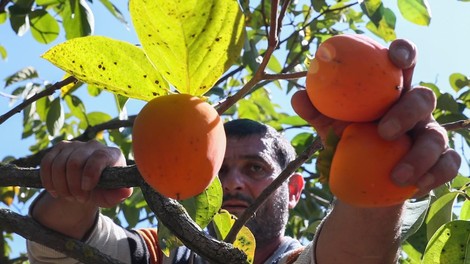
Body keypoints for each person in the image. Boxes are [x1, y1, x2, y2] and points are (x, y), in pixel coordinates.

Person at [26, 39, 461, 264]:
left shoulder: (292, 259)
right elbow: (60, 246)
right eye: (219, 169)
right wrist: (76, 181)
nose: (232, 182)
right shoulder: (163, 254)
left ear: (293, 188)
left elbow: (353, 257)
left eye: (255, 167)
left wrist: (382, 157)